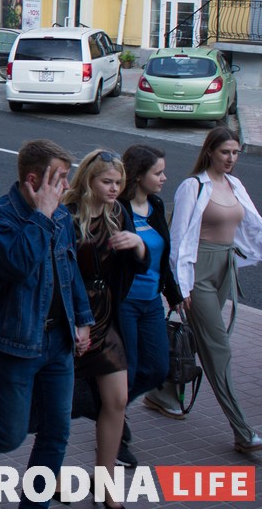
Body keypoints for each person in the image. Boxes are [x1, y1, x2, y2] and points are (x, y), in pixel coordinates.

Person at [0, 140, 94, 508]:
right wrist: (40, 216)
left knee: (57, 432)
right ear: (32, 179)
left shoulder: (60, 215)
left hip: (58, 343)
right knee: (10, 433)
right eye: (59, 178)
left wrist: (83, 319)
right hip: (15, 343)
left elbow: (70, 271)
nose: (67, 186)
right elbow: (18, 266)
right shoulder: (0, 218)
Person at [61, 150, 148, 504]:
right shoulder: (67, 214)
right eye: (107, 182)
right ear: (89, 181)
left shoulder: (118, 212)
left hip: (106, 316)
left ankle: (106, 482)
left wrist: (139, 245)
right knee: (57, 408)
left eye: (118, 182)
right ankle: (50, 475)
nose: (114, 189)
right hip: (71, 318)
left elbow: (135, 265)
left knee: (118, 399)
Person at [169, 127, 262, 452]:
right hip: (199, 271)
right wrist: (181, 287)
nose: (231, 158)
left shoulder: (234, 184)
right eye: (225, 152)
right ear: (210, 151)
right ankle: (243, 431)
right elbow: (179, 239)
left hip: (225, 268)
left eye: (235, 153)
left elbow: (252, 225)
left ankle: (159, 392)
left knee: (202, 338)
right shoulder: (192, 187)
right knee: (218, 348)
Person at [116, 144, 181, 467]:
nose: (164, 178)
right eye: (158, 173)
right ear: (139, 175)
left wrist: (175, 295)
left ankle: (112, 407)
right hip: (124, 302)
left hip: (152, 301)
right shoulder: (119, 209)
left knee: (157, 368)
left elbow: (163, 257)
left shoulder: (155, 204)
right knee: (126, 372)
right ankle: (115, 434)